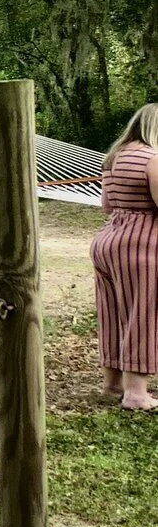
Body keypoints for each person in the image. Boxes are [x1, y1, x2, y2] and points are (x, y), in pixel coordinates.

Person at [94, 103, 158, 413]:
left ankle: (112, 385)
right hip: (142, 245)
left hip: (108, 242)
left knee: (112, 314)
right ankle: (136, 393)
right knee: (143, 316)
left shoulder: (114, 157)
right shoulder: (152, 158)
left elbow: (106, 204)